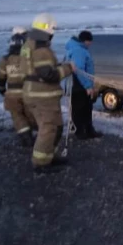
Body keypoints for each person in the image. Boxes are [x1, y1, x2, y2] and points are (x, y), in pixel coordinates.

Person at [20, 13, 75, 174]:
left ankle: (49, 155)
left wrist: (59, 65)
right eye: (52, 30)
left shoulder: (29, 44)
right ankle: (41, 162)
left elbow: (40, 69)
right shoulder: (41, 48)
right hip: (42, 95)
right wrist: (68, 68)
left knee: (57, 126)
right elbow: (48, 74)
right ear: (48, 30)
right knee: (48, 128)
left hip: (38, 93)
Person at [0, 26, 37, 147]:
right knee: (31, 114)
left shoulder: (5, 60)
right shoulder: (31, 58)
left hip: (12, 94)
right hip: (30, 93)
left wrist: (2, 90)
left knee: (17, 116)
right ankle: (37, 135)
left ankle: (26, 136)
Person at [64, 30, 103, 139]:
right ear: (86, 41)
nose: (90, 44)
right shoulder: (79, 51)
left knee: (84, 108)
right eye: (90, 42)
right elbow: (79, 70)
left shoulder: (74, 48)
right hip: (79, 85)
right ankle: (80, 132)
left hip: (76, 84)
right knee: (80, 109)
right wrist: (87, 86)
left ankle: (88, 130)